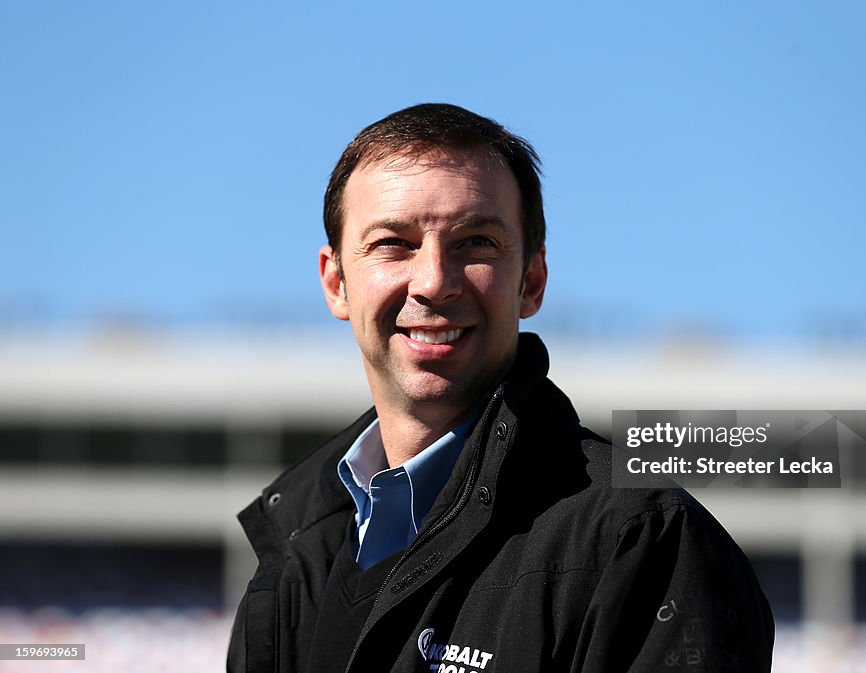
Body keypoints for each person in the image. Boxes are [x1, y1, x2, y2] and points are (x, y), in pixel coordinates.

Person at [227, 103, 774, 673]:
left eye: (476, 243)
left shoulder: (644, 542)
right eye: (393, 243)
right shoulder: (289, 563)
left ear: (531, 281)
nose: (434, 281)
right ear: (337, 282)